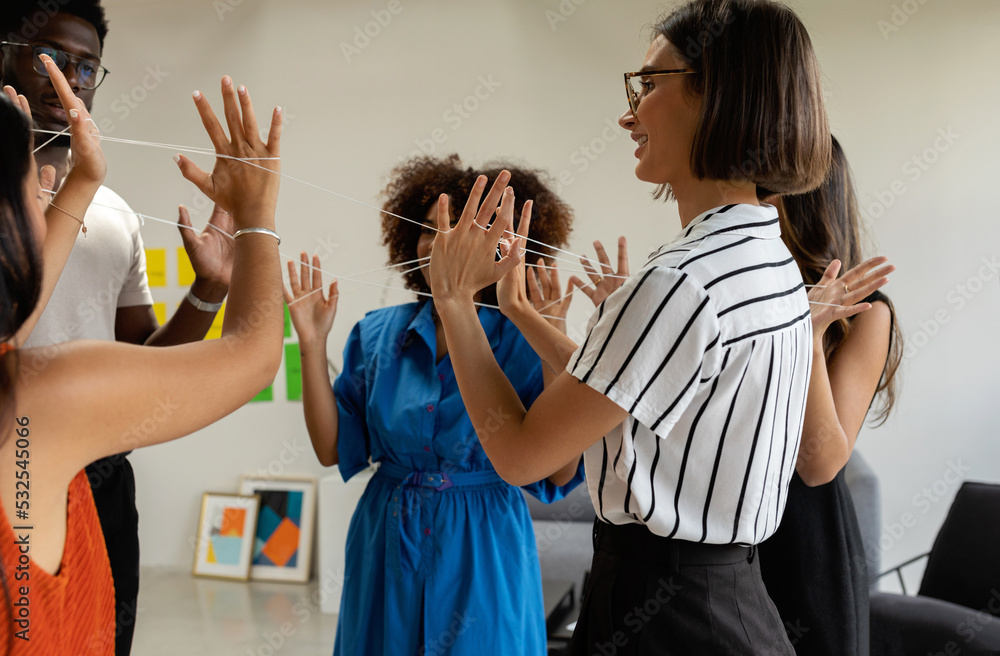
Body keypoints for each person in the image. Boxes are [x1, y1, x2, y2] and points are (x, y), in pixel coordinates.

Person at [426, 0, 834, 652]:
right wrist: (523, 314)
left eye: (649, 85)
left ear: (718, 97)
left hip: (665, 614)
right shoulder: (765, 257)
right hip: (733, 602)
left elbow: (524, 453)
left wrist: (453, 301)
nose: (628, 113)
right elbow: (626, 395)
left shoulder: (680, 281)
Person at [0, 62, 284, 654]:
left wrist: (82, 182)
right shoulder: (37, 399)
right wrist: (257, 214)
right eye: (35, 191)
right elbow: (252, 357)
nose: (48, 198)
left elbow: (16, 308)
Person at [283, 155, 583, 656]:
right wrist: (312, 348)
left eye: (462, 226)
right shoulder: (376, 333)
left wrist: (551, 333)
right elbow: (332, 448)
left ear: (497, 245)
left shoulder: (523, 335)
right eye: (428, 228)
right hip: (386, 533)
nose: (441, 239)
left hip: (483, 539)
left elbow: (557, 472)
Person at [757, 136, 902, 656]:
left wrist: (811, 334)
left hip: (805, 543)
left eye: (765, 190)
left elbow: (819, 463)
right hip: (728, 541)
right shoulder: (741, 295)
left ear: (803, 199)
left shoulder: (868, 311)